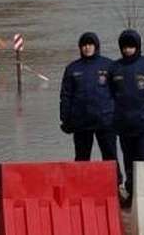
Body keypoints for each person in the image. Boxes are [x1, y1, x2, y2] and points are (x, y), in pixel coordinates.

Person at [109, 29, 144, 206]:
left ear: (137, 47)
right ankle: (131, 194)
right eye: (125, 47)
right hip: (124, 125)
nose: (128, 50)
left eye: (131, 47)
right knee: (129, 162)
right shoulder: (114, 68)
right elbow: (110, 94)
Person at [59, 33, 119, 179]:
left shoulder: (109, 65)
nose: (87, 48)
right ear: (80, 47)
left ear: (96, 46)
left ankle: (115, 184)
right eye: (84, 45)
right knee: (81, 158)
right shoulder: (72, 68)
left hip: (105, 120)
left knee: (110, 156)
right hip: (81, 122)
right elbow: (66, 96)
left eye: (90, 44)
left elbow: (118, 93)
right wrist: (65, 119)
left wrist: (118, 117)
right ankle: (80, 185)